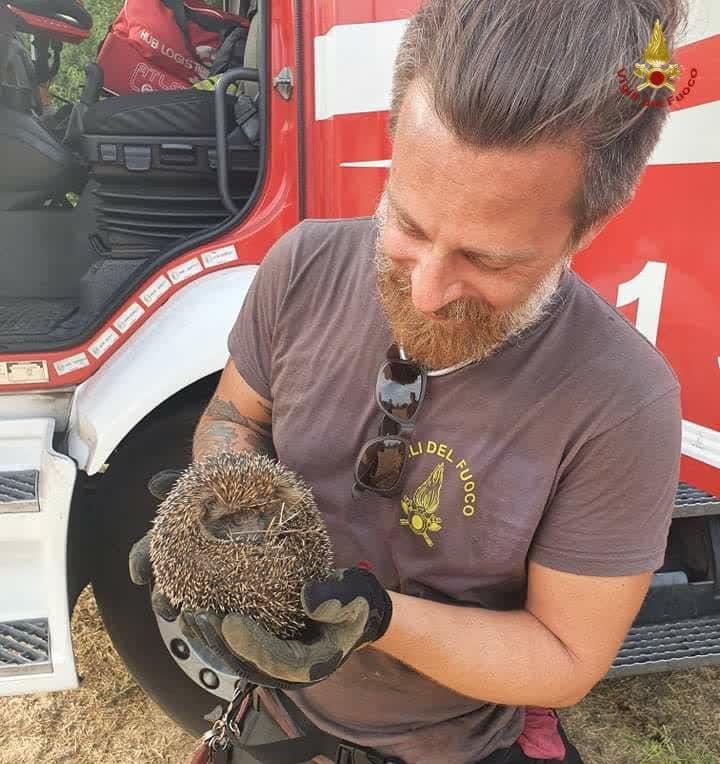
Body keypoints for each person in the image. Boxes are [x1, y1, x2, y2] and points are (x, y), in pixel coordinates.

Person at [130, 0, 687, 761]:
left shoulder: (623, 401)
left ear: (591, 225)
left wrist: (379, 619)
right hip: (285, 720)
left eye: (488, 260)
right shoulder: (302, 266)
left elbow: (564, 658)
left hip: (455, 742)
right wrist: (217, 496)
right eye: (408, 225)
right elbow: (235, 413)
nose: (425, 292)